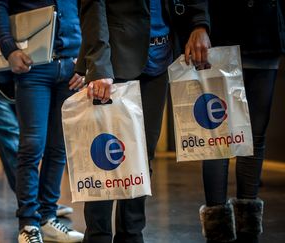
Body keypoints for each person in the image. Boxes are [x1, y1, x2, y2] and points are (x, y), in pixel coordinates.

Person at [75, 0, 211, 242]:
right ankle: (98, 236)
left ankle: (131, 234)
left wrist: (200, 23)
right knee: (103, 156)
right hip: (114, 58)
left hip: (161, 58)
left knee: (142, 155)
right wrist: (98, 65)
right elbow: (93, 7)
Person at [0, 1, 85, 242]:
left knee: (58, 147)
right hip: (34, 67)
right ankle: (28, 223)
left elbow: (90, 11)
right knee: (32, 146)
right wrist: (9, 49)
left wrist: (86, 62)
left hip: (72, 66)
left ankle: (47, 218)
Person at [199, 1, 285, 243]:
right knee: (219, 139)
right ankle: (218, 232)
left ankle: (247, 230)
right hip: (222, 35)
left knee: (253, 138)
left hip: (264, 35)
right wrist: (200, 25)